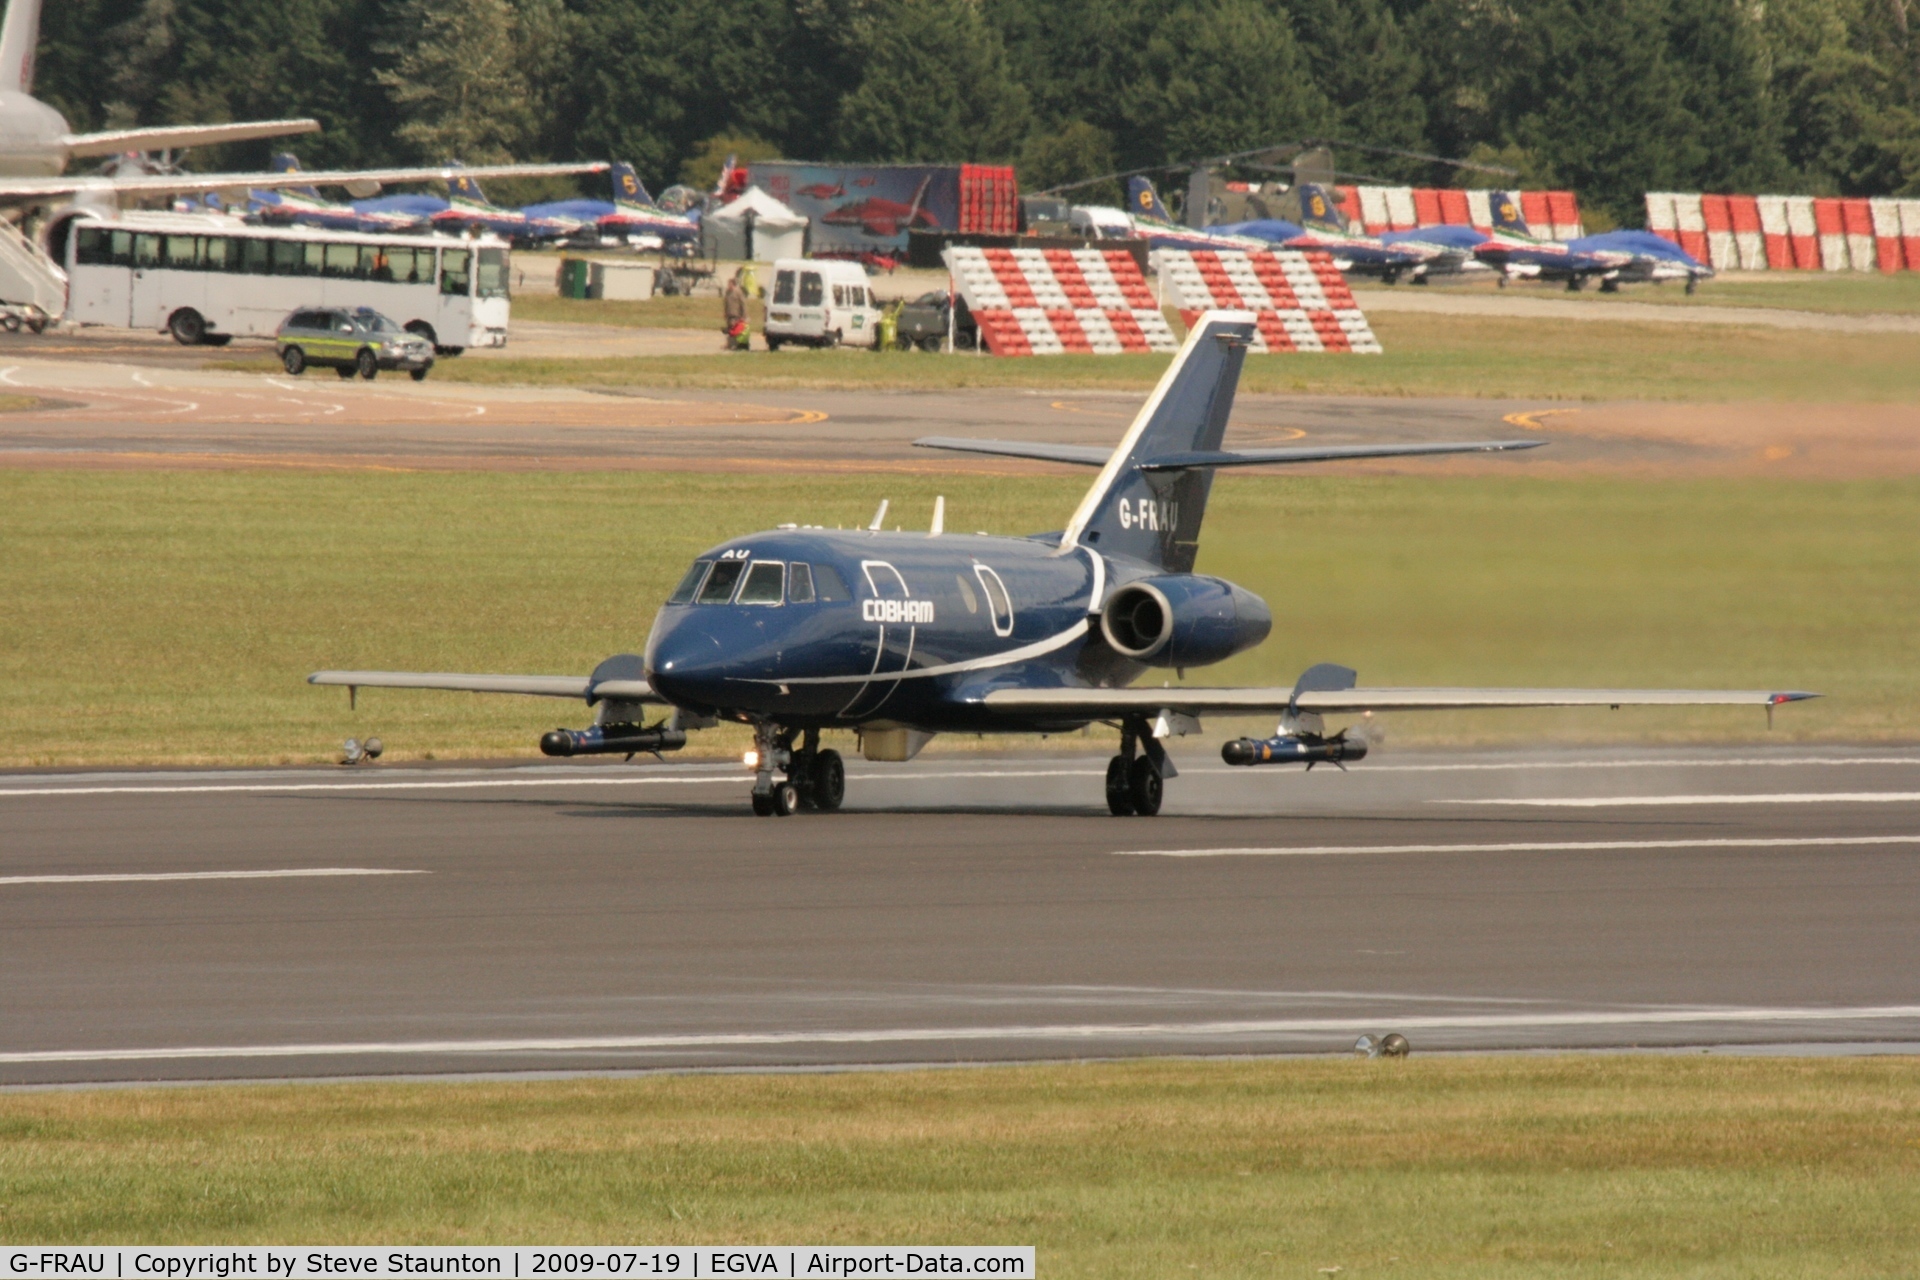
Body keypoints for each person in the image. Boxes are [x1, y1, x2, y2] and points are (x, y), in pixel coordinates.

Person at [722, 270, 749, 351]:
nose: (728, 286)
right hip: (729, 314)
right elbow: (726, 303)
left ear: (733, 284)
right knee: (730, 330)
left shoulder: (738, 292)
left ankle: (736, 345)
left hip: (736, 315)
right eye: (728, 284)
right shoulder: (727, 292)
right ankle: (729, 344)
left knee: (736, 330)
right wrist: (725, 313)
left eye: (730, 284)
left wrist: (744, 315)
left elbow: (743, 304)